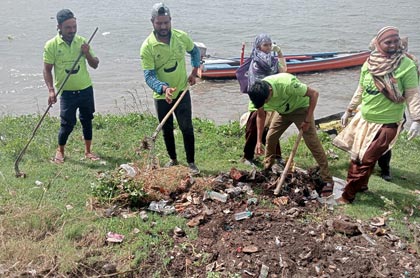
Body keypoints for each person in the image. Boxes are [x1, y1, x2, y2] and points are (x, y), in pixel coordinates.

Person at [334, 26, 420, 204]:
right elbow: (361, 89)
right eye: (387, 42)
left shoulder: (406, 65)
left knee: (365, 160)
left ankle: (347, 196)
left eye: (395, 41)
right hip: (364, 119)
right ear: (378, 43)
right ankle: (362, 186)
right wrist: (349, 109)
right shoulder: (369, 63)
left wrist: (416, 119)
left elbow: (412, 93)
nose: (393, 45)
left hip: (388, 123)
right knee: (357, 156)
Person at [248, 73, 335, 196]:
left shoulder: (287, 84)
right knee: (270, 138)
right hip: (282, 111)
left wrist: (307, 120)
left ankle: (327, 180)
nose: (264, 103)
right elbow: (261, 116)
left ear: (270, 90)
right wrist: (258, 141)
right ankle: (267, 168)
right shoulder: (258, 95)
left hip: (301, 109)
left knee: (313, 143)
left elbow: (314, 94)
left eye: (266, 101)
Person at [140, 3, 201, 175]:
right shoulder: (147, 47)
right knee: (166, 129)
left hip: (182, 91)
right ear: (152, 22)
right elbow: (149, 76)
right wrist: (163, 88)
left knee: (187, 127)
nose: (163, 26)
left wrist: (194, 71)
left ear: (170, 21)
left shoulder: (181, 37)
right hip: (162, 97)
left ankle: (191, 162)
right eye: (159, 23)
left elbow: (195, 52)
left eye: (166, 22)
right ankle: (173, 159)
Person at [43, 9, 100, 164]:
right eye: (68, 27)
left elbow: (95, 64)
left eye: (74, 26)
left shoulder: (82, 42)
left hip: (85, 89)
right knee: (67, 124)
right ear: (59, 27)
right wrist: (51, 91)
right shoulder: (51, 45)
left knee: (87, 120)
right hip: (67, 93)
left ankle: (88, 151)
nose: (72, 30)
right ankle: (60, 151)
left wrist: (87, 53)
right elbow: (47, 69)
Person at [241, 34, 287, 166]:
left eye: (270, 45)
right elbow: (254, 84)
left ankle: (276, 156)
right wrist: (260, 101)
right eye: (265, 45)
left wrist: (279, 52)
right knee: (253, 129)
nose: (268, 48)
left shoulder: (273, 61)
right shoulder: (255, 63)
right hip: (257, 99)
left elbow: (284, 71)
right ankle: (247, 157)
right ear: (258, 46)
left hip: (271, 99)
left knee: (273, 130)